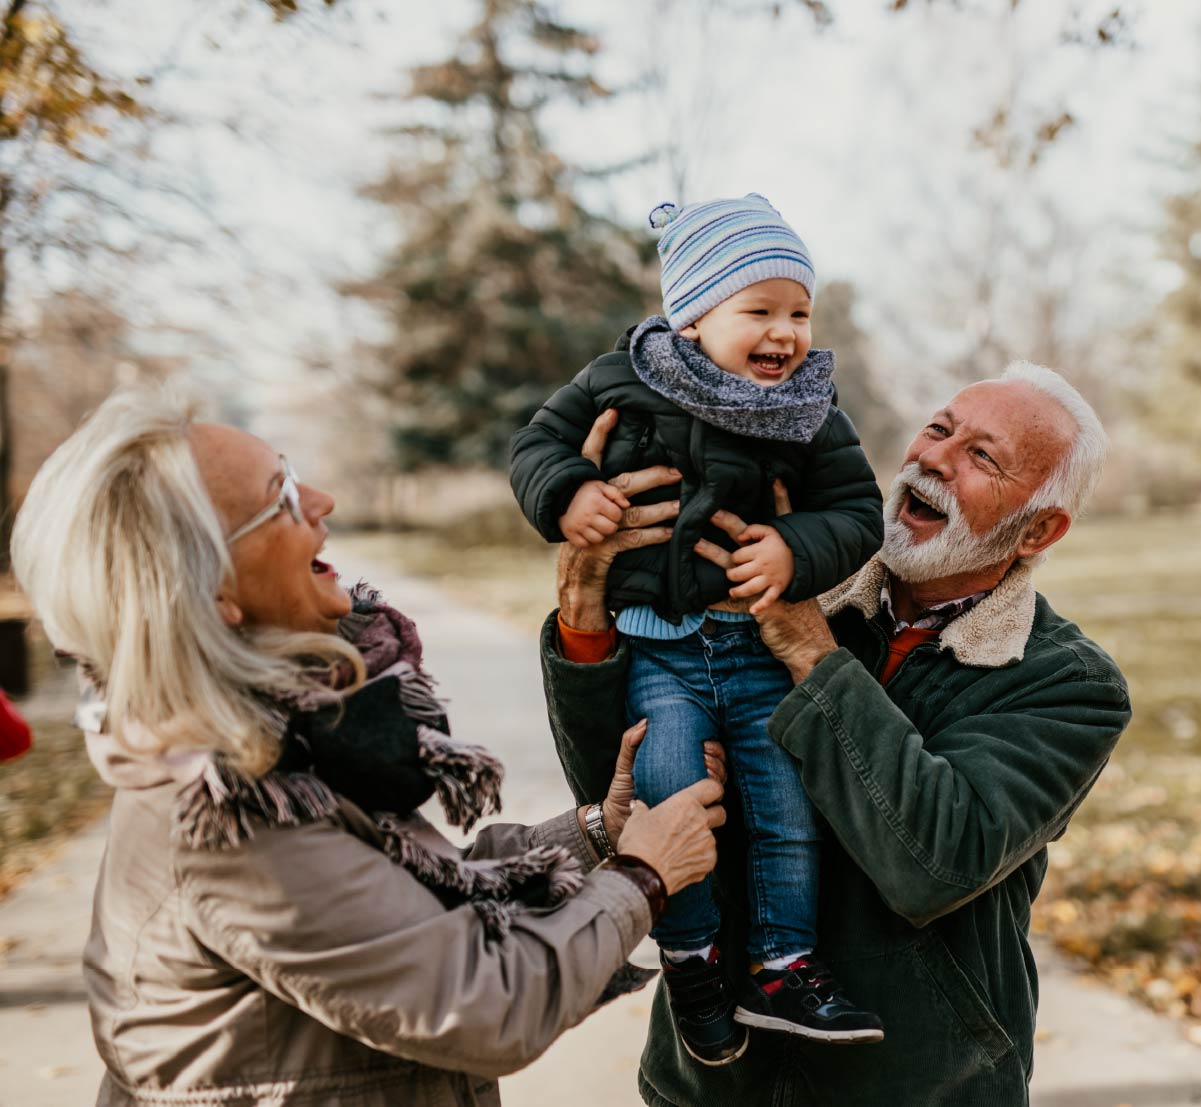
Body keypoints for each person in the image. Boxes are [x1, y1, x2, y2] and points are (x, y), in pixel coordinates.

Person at [9, 386, 728, 1107]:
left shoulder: (271, 739)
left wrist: (596, 833)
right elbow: (478, 999)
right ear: (211, 589)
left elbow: (403, 917)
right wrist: (643, 874)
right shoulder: (233, 811)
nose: (322, 500)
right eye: (281, 496)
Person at [539, 361, 1132, 1105]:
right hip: (712, 1081)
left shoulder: (1065, 682)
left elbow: (935, 860)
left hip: (917, 1088)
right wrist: (585, 612)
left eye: (982, 456)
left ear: (1039, 528)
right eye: (938, 429)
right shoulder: (772, 577)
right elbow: (626, 796)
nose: (934, 459)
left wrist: (809, 650)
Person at [511, 194, 885, 1063]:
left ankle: (784, 963)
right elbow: (538, 443)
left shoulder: (809, 410)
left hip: (757, 648)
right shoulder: (618, 379)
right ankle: (691, 959)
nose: (785, 333)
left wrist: (794, 548)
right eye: (758, 310)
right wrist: (570, 491)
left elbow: (855, 511)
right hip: (659, 647)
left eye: (799, 312)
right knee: (673, 798)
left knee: (784, 804)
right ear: (691, 316)